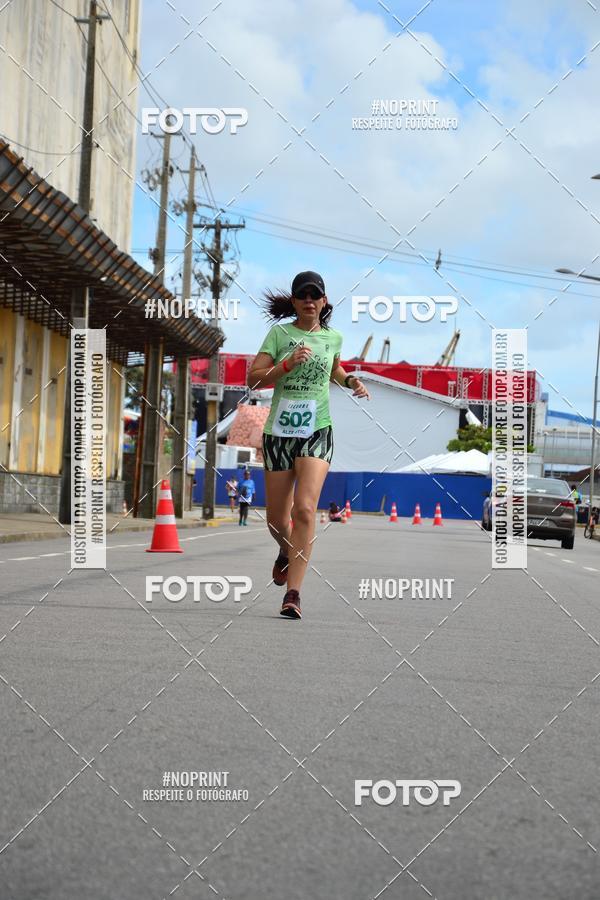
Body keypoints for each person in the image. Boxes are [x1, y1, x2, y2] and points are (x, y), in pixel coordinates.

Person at [247, 270, 370, 620]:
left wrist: (351, 381)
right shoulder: (279, 333)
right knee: (276, 521)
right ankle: (287, 552)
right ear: (294, 301)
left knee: (304, 509)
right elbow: (253, 379)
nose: (309, 301)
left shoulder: (333, 337)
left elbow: (334, 368)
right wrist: (285, 365)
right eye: (303, 295)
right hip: (279, 434)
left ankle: (294, 595)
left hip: (317, 430)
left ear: (324, 301)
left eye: (315, 295)